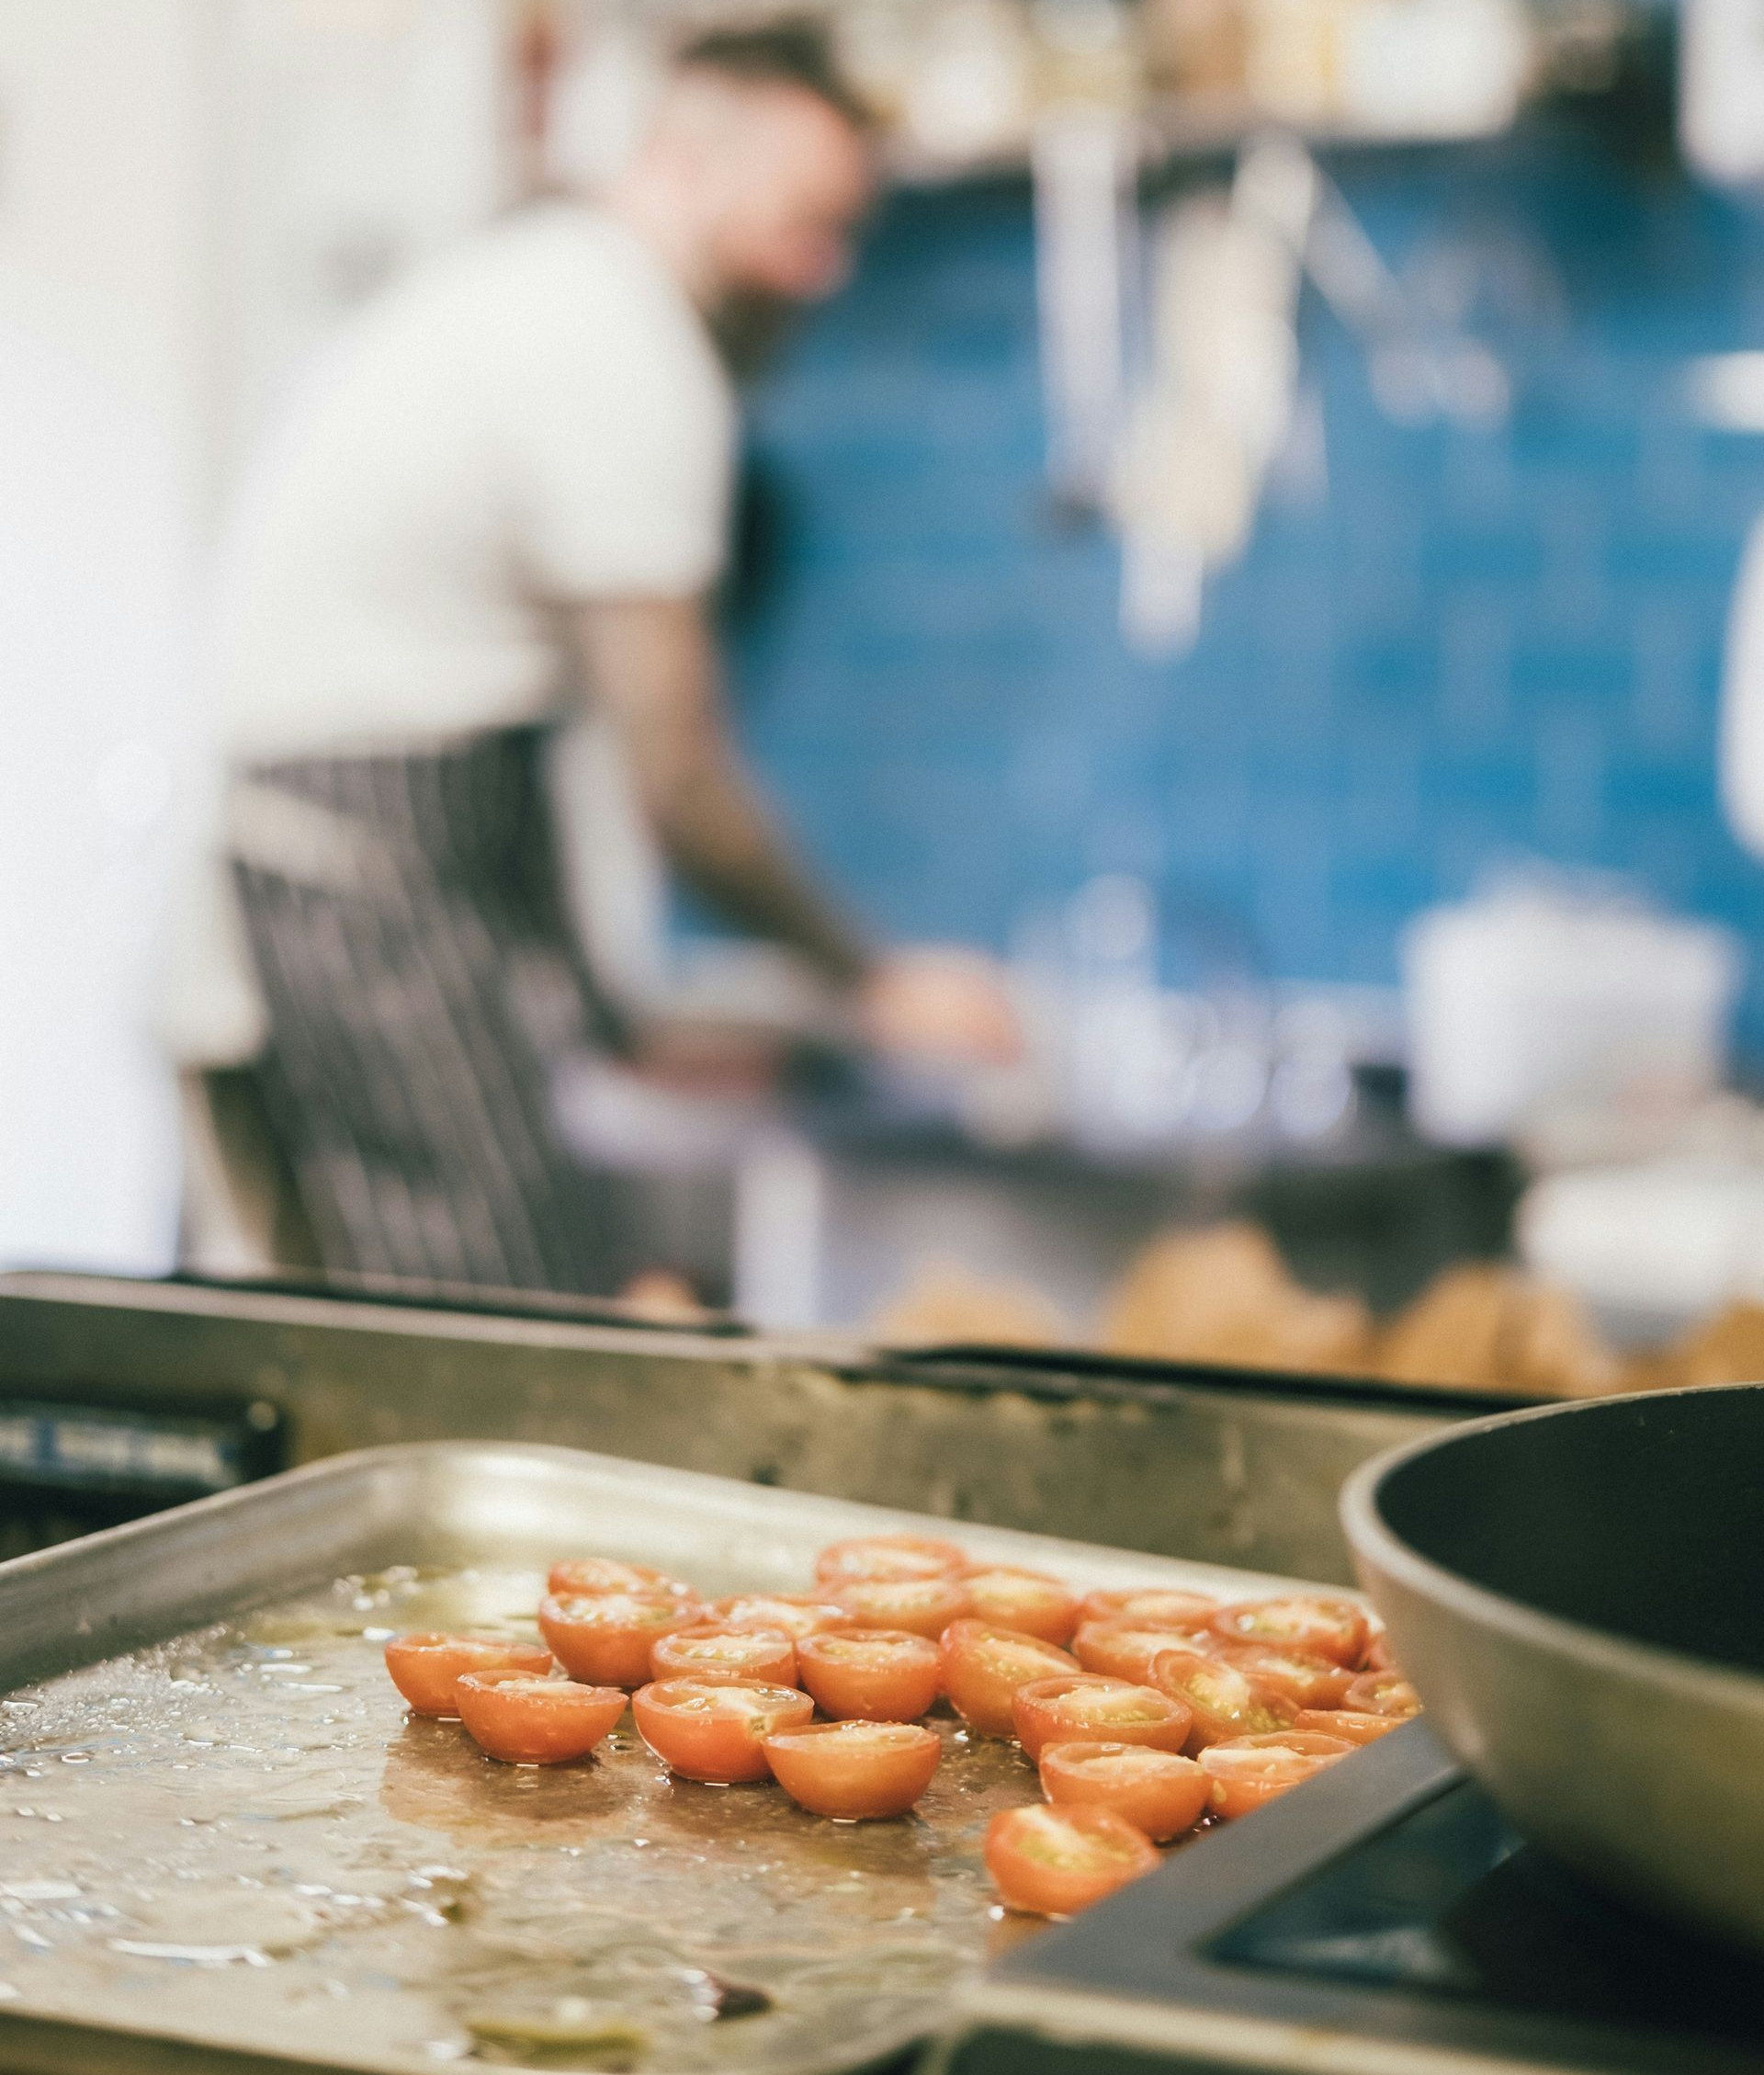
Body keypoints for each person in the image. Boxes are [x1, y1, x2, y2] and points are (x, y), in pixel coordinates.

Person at [169, 18, 1018, 1298]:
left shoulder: (542, 289)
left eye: (841, 233)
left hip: (303, 868)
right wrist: (876, 981)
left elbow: (479, 752)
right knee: (505, 1336)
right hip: (354, 894)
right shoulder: (628, 349)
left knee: (365, 1345)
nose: (823, 271)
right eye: (799, 221)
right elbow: (678, 782)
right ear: (681, 158)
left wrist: (614, 1014)